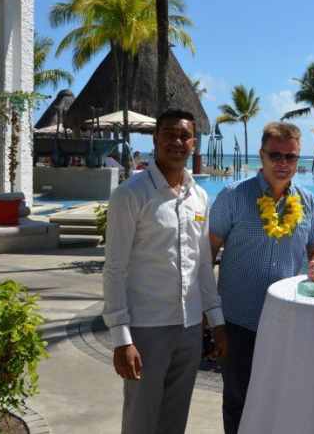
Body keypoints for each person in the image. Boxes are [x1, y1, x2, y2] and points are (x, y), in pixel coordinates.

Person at [102, 109, 227, 434]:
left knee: (175, 419)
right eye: (170, 134)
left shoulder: (199, 196)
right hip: (147, 328)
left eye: (185, 136)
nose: (177, 142)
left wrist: (216, 321)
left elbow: (202, 264)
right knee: (141, 420)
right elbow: (114, 269)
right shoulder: (131, 194)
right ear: (156, 138)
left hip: (189, 328)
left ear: (194, 143)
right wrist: (121, 338)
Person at [209, 121, 314, 434]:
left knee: (285, 401)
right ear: (261, 155)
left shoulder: (308, 201)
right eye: (275, 155)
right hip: (240, 321)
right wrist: (208, 316)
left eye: (290, 157)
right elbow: (207, 253)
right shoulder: (233, 196)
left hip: (290, 320)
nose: (282, 163)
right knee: (238, 401)